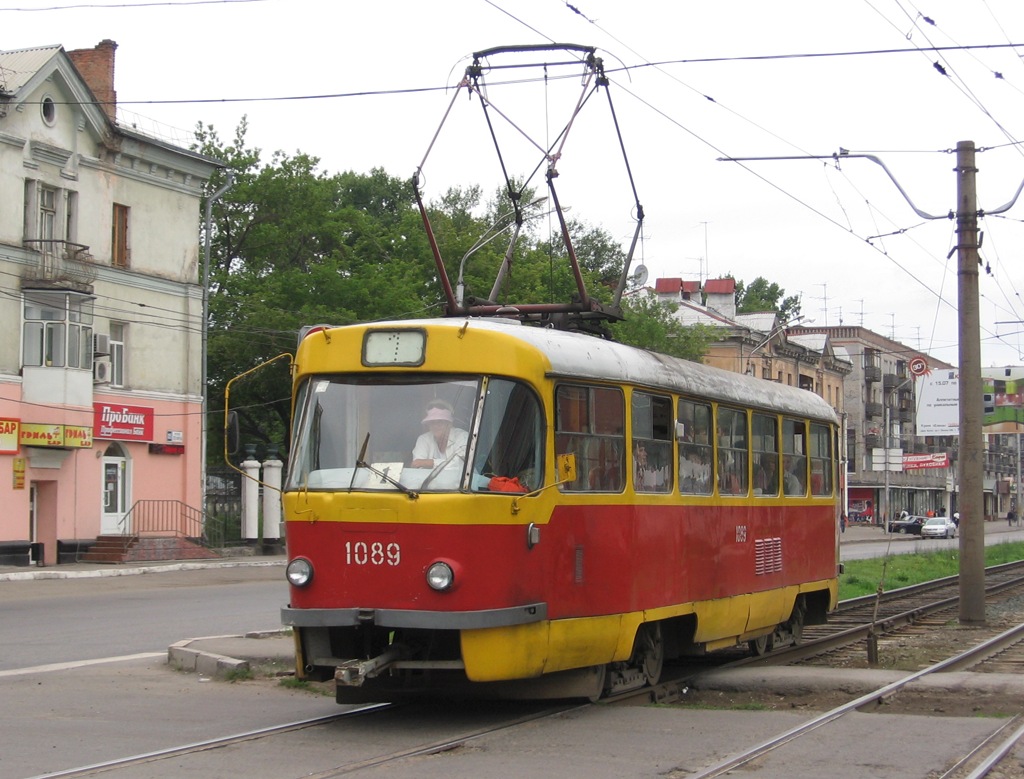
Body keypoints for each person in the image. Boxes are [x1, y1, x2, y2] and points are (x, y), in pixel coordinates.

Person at [410, 400, 469, 469]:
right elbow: (417, 465)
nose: (435, 426)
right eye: (432, 422)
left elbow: (462, 465)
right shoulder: (423, 439)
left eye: (440, 422)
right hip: (429, 480)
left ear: (449, 424)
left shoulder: (462, 436)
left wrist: (430, 463)